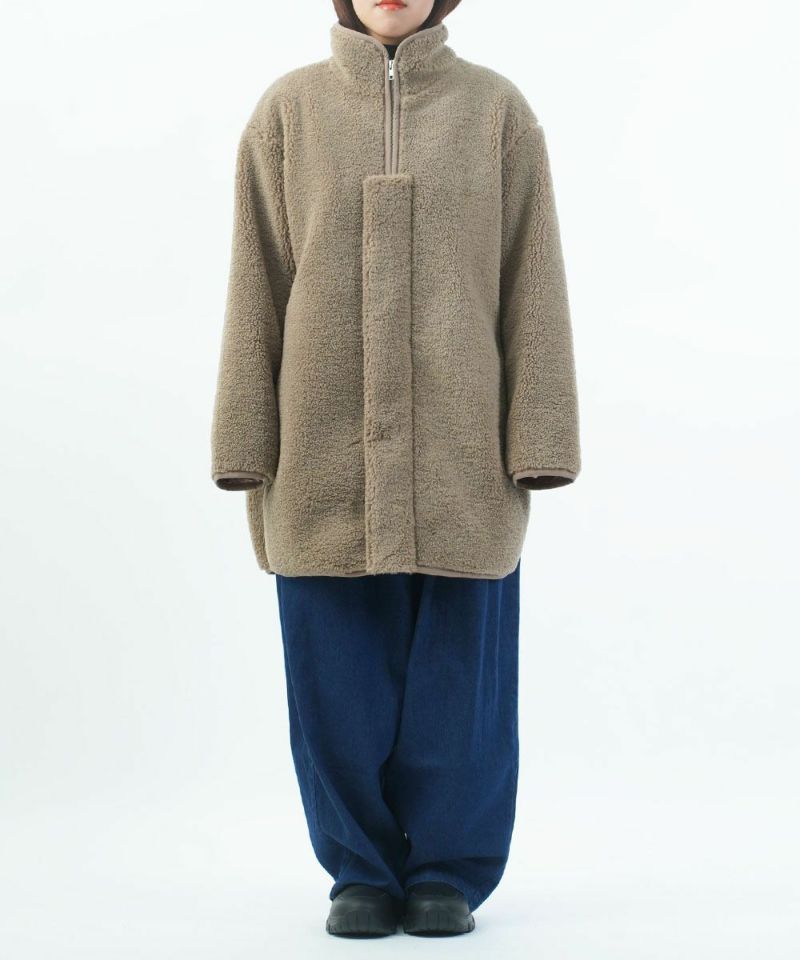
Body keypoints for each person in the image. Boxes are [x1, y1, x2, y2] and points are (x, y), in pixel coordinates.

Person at [210, 0, 581, 938]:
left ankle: (449, 871)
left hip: (464, 459)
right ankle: (360, 873)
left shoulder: (497, 113)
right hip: (319, 457)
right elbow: (256, 284)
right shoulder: (287, 114)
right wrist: (244, 441)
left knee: (462, 688)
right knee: (333, 683)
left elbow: (533, 279)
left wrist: (541, 437)